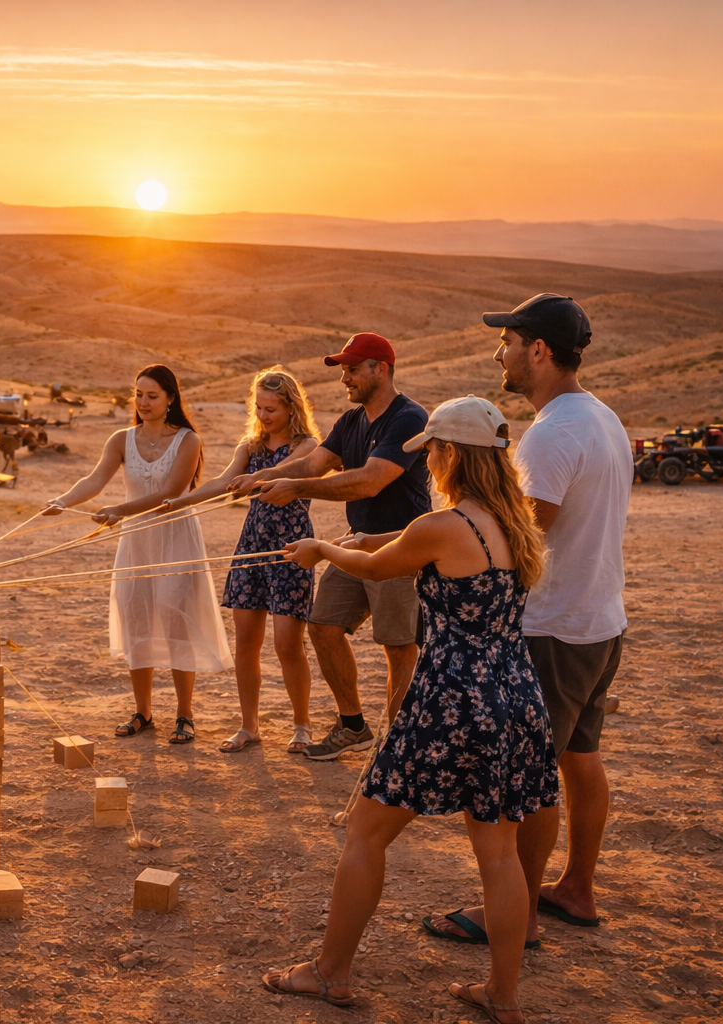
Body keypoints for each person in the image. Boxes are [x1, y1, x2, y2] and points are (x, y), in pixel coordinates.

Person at [263, 396, 556, 1024]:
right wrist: (369, 539)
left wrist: (323, 550)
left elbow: (373, 567)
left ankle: (330, 973)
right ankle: (503, 997)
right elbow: (413, 546)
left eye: (433, 453)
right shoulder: (515, 520)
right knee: (498, 853)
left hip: (449, 700)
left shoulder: (441, 525)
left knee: (366, 833)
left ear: (451, 454)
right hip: (514, 696)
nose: (430, 464)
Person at [426, 294, 631, 953]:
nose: (500, 354)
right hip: (599, 621)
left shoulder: (550, 433)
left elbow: (520, 538)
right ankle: (576, 889)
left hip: (552, 628)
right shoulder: (602, 417)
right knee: (581, 759)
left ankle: (516, 915)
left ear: (538, 350)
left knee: (530, 776)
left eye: (508, 342)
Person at [237, 333, 430, 761]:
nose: (345, 378)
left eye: (352, 369)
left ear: (381, 369)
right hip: (356, 544)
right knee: (323, 625)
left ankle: (398, 748)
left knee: (398, 646)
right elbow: (313, 464)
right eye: (344, 370)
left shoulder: (408, 418)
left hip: (401, 545)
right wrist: (264, 478)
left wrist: (297, 488)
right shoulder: (350, 421)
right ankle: (353, 726)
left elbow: (371, 480)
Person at [46, 364, 233, 744]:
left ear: (170, 399)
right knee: (136, 616)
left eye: (152, 396)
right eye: (138, 395)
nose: (143, 403)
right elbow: (95, 480)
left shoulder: (188, 441)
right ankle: (143, 712)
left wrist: (120, 510)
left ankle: (185, 714)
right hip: (136, 542)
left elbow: (171, 494)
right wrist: (63, 501)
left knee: (175, 616)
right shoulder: (121, 439)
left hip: (176, 538)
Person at [165, 367, 320, 753]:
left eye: (272, 409)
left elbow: (289, 471)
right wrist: (180, 501)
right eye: (259, 408)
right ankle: (249, 726)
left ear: (291, 408)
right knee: (245, 644)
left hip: (291, 550)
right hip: (251, 547)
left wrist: (259, 478)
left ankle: (302, 726)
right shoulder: (250, 447)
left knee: (287, 645)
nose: (263, 416)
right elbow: (223, 482)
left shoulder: (308, 445)